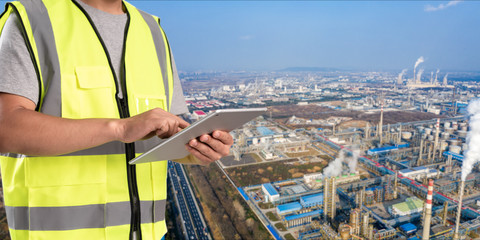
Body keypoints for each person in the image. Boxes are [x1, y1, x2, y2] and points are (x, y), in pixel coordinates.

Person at [0, 0, 233, 239]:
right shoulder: (32, 20)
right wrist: (119, 128)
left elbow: (163, 130)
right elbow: (5, 129)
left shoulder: (152, 31)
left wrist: (194, 148)